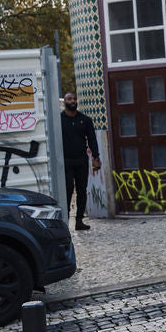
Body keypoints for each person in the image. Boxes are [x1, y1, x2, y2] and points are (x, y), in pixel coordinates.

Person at [60, 91, 101, 231]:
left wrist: (96, 157)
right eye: (69, 99)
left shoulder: (85, 120)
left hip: (81, 160)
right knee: (67, 190)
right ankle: (65, 221)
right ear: (64, 102)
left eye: (74, 99)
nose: (72, 101)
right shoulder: (59, 120)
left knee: (82, 190)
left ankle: (79, 221)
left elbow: (92, 139)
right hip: (65, 161)